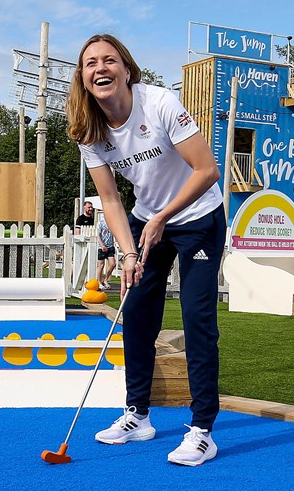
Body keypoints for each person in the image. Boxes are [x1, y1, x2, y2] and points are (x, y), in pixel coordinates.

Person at [66, 33, 225, 467]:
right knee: (135, 313)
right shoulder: (89, 130)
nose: (100, 68)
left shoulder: (160, 104)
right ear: (82, 77)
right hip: (144, 216)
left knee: (196, 320)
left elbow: (207, 170)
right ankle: (138, 415)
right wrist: (129, 253)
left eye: (109, 60)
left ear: (126, 69)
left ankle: (202, 431)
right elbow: (112, 201)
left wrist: (159, 219)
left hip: (197, 218)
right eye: (91, 63)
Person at [96, 213, 116, 289]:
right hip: (102, 246)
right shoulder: (101, 223)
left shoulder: (112, 222)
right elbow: (98, 235)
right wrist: (102, 245)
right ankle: (99, 282)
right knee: (101, 265)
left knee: (113, 264)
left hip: (110, 246)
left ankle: (105, 280)